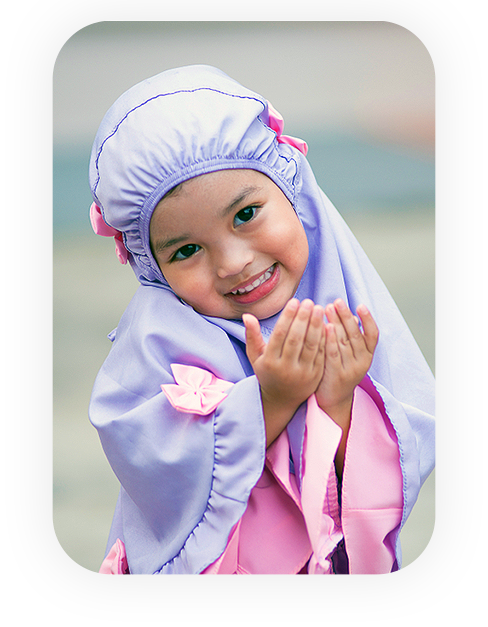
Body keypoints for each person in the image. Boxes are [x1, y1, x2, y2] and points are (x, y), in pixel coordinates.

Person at [89, 65, 435, 575]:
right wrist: (270, 400)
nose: (232, 262)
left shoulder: (339, 306)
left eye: (246, 215)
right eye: (186, 250)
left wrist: (337, 400)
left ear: (292, 190)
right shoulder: (156, 344)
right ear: (152, 266)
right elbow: (157, 464)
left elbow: (369, 488)